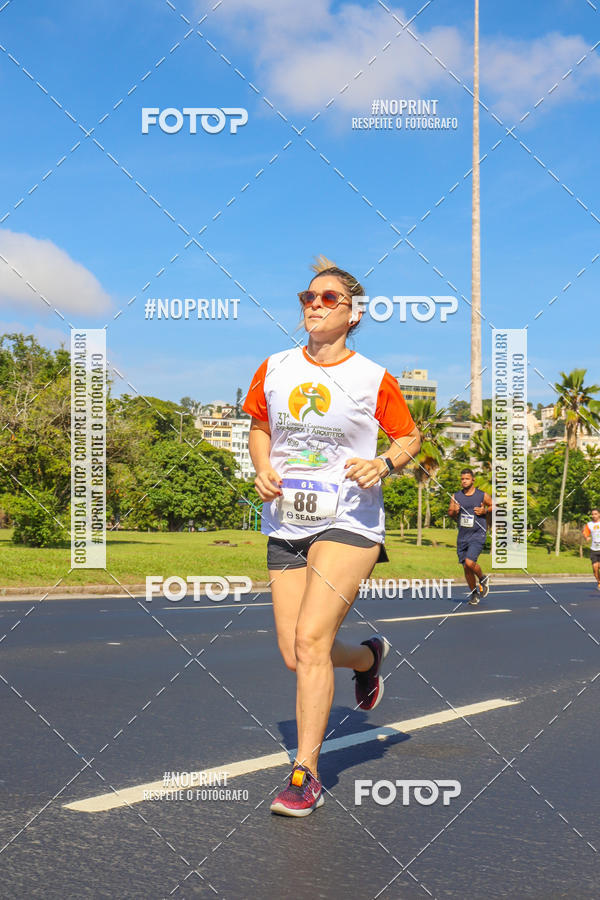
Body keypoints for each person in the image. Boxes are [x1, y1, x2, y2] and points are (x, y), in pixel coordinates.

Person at [243, 256, 421, 817]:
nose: (313, 306)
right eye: (307, 297)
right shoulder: (273, 367)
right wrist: (261, 467)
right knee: (297, 653)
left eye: (327, 299)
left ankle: (306, 773)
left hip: (349, 519)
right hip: (285, 520)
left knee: (313, 639)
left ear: (353, 314)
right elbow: (259, 426)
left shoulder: (372, 377)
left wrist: (383, 465)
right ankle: (368, 661)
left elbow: (410, 438)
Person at [448, 468, 492, 605]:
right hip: (462, 536)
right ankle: (474, 594)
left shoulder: (481, 495)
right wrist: (453, 511)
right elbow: (451, 513)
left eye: (467, 479)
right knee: (466, 568)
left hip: (477, 534)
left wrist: (484, 510)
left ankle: (483, 578)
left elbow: (494, 506)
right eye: (462, 479)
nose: (464, 481)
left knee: (469, 562)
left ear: (473, 480)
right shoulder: (456, 496)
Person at [582, 508, 600, 590]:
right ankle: (599, 582)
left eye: (595, 514)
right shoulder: (589, 524)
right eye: (592, 514)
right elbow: (585, 532)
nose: (594, 516)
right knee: (595, 568)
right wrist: (586, 537)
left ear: (599, 514)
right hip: (594, 549)